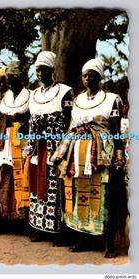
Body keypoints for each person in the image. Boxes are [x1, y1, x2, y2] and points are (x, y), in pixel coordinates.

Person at [51, 58, 126, 258]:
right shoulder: (78, 100)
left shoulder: (112, 99)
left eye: (92, 75)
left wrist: (119, 154)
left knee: (104, 193)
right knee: (77, 190)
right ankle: (82, 237)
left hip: (102, 154)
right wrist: (62, 152)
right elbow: (71, 127)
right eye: (85, 75)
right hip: (78, 153)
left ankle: (108, 242)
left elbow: (117, 129)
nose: (88, 78)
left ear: (100, 77)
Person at [26, 51, 73, 241]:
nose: (40, 74)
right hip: (38, 144)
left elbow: (70, 120)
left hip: (57, 144)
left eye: (44, 70)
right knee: (38, 184)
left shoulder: (64, 90)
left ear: (52, 70)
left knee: (56, 184)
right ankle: (39, 227)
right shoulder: (34, 93)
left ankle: (59, 230)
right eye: (38, 70)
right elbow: (31, 121)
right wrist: (30, 145)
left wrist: (64, 146)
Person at [0, 63, 31, 228]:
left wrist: (22, 120)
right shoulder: (5, 97)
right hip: (6, 140)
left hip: (22, 139)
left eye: (13, 79)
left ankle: (24, 218)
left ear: (21, 78)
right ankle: (8, 216)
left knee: (22, 176)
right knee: (5, 175)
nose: (9, 82)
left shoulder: (30, 95)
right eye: (7, 79)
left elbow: (32, 118)